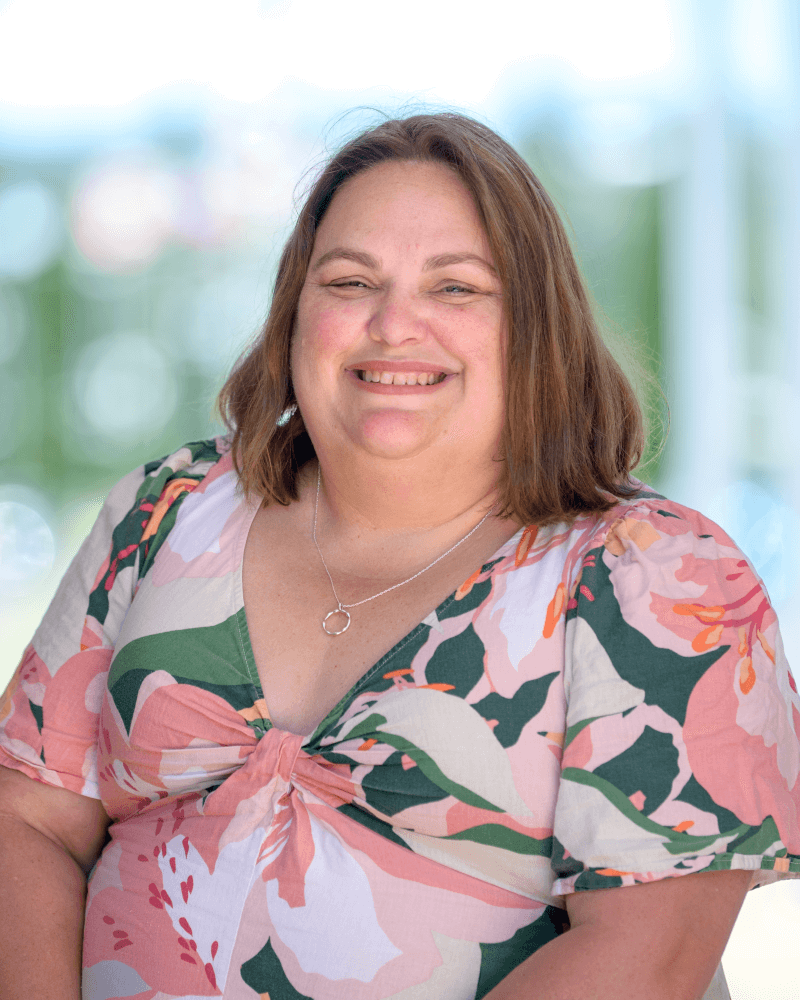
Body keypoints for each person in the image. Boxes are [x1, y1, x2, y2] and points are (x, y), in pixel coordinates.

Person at [0, 112, 798, 1000]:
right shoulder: (164, 511)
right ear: (295, 314)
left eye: (455, 288)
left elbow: (647, 963)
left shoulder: (660, 576)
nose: (393, 325)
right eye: (349, 281)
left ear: (537, 326)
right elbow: (25, 820)